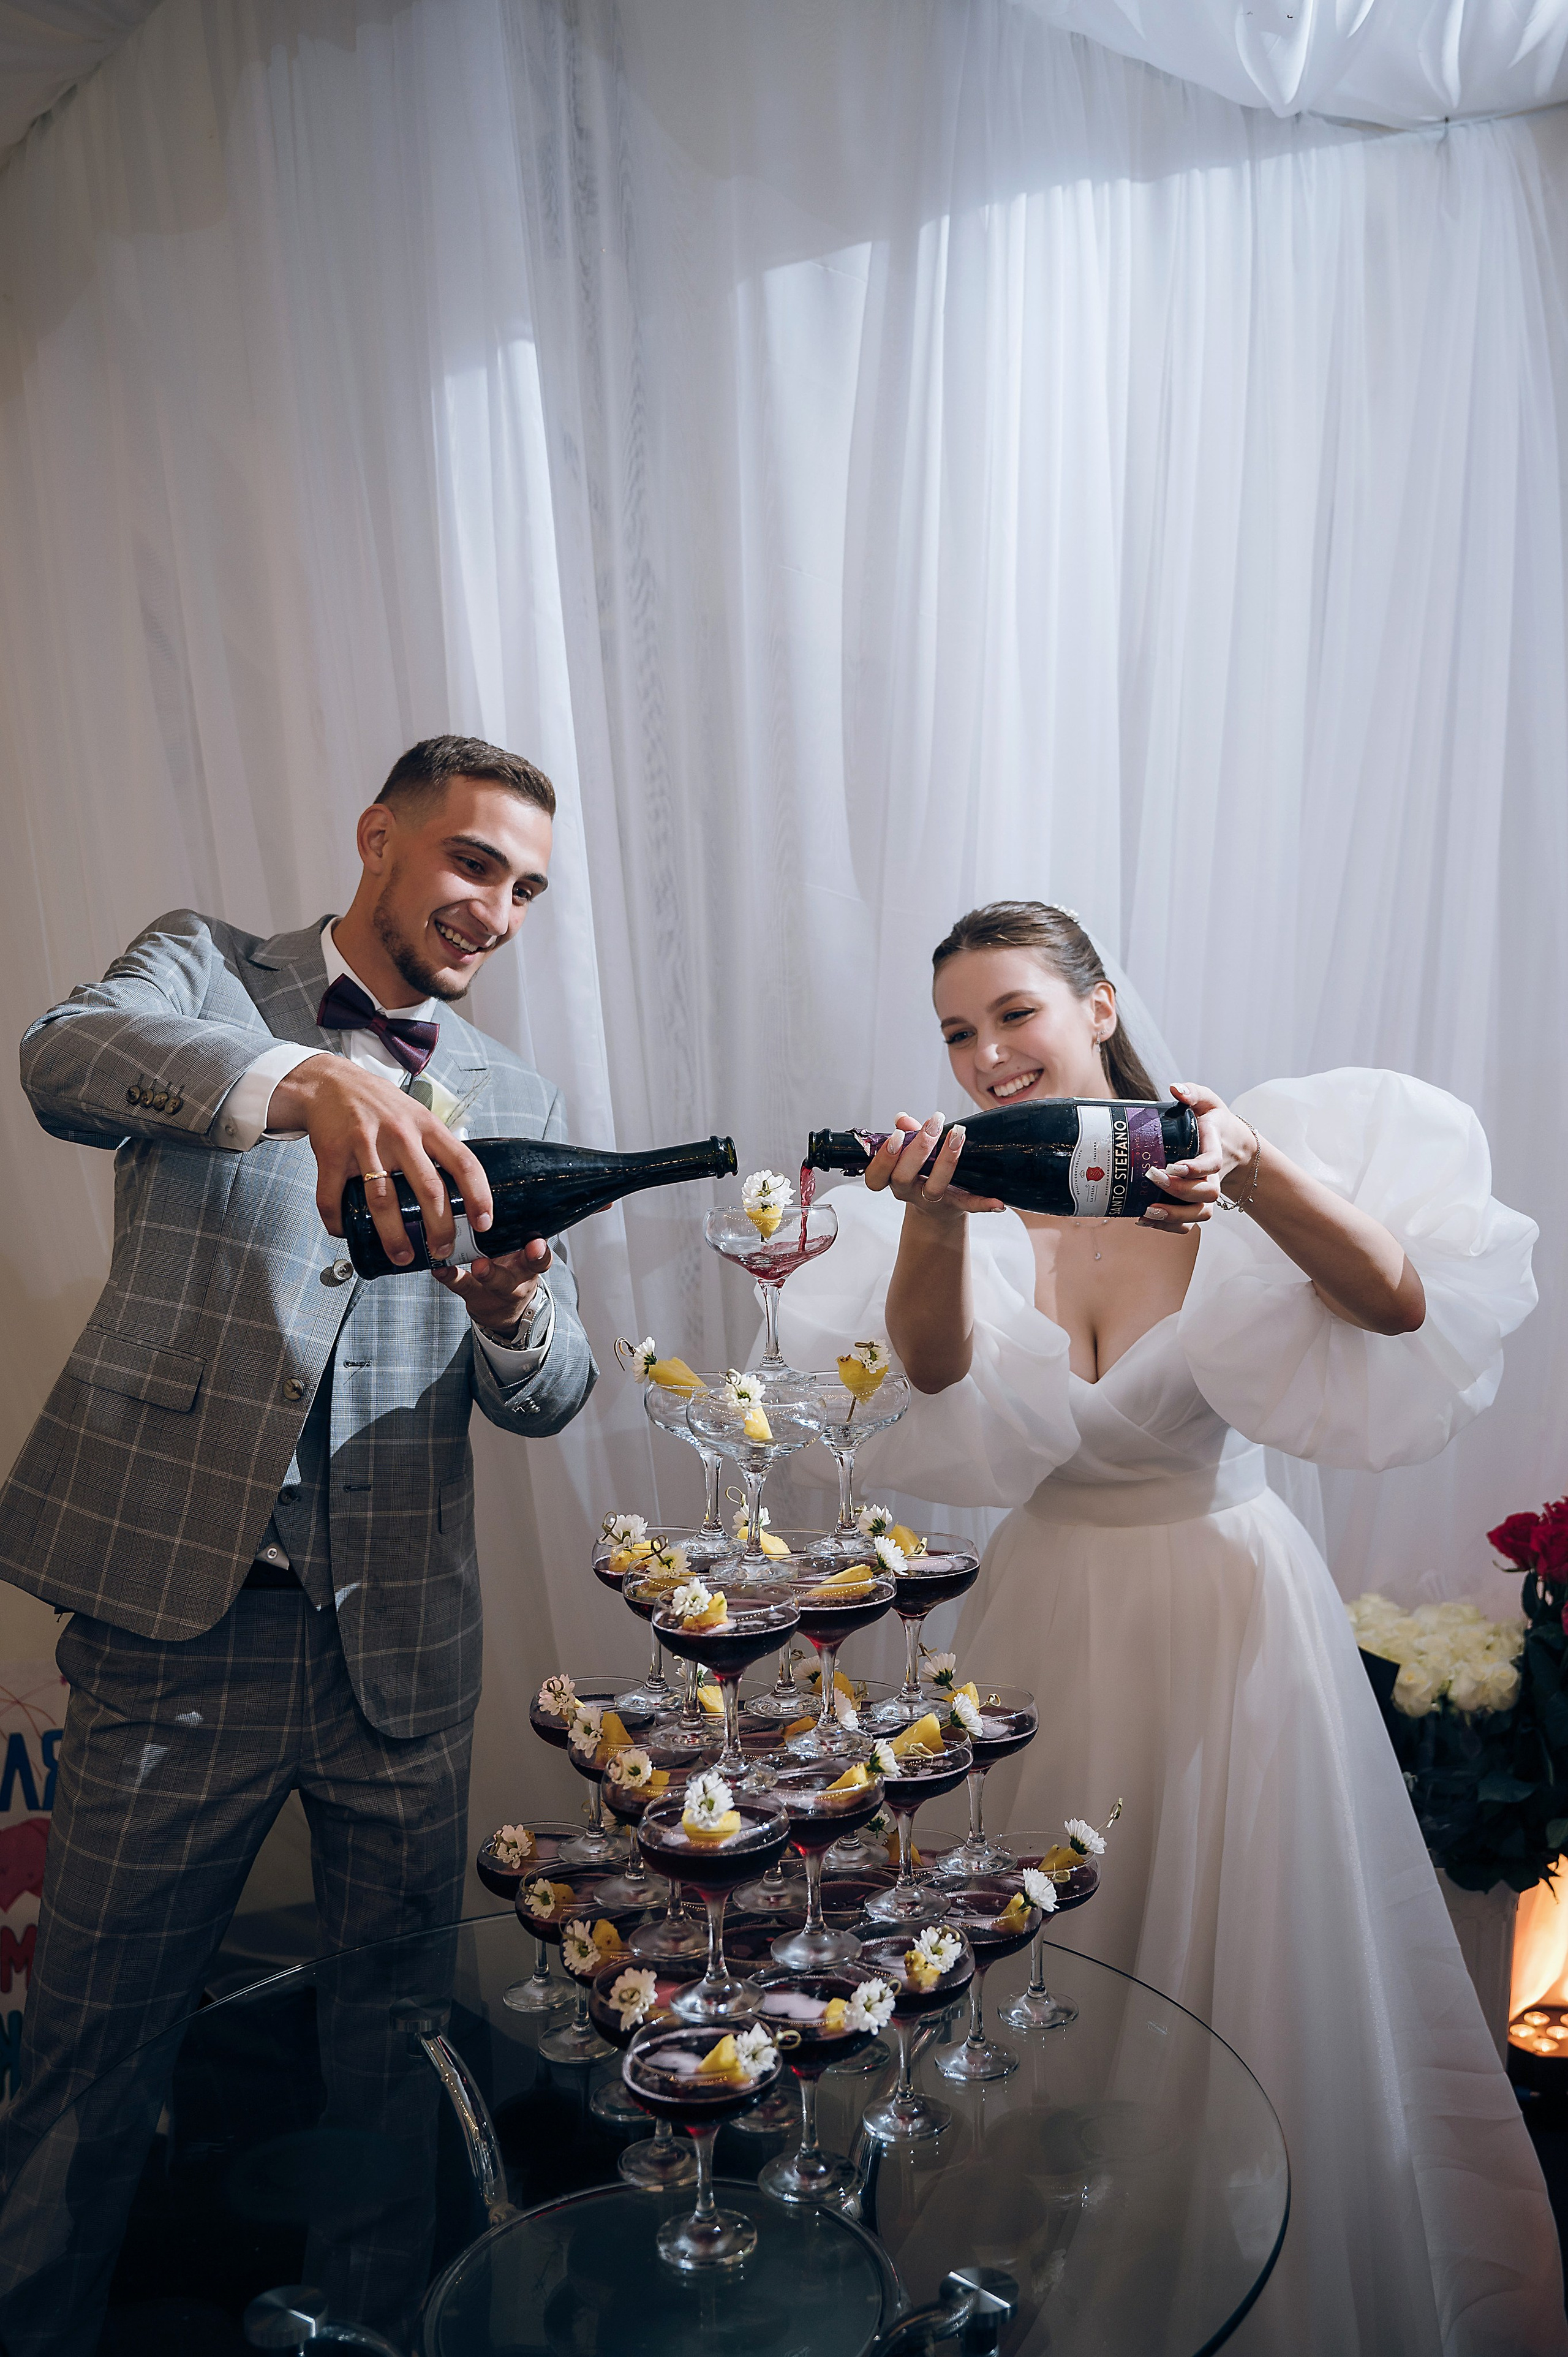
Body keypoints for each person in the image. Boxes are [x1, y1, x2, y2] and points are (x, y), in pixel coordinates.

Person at [778, 899, 1564, 2357]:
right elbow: (935, 1374)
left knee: (1231, 1950)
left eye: (1012, 1011)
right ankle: (1007, 2267)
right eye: (956, 1030)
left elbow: (1396, 1304)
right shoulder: (977, 1190)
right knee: (1025, 1958)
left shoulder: (1222, 1152)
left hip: (1218, 1610)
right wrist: (937, 1215)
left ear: (1096, 1002)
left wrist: (1256, 1178)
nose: (985, 1052)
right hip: (1038, 1618)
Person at [0, 734, 597, 2351]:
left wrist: (516, 1311)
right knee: (93, 2050)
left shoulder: (525, 1100)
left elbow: (555, 1398)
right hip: (180, 1631)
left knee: (394, 2055)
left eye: (528, 888)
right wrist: (310, 1081)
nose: (497, 908)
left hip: (398, 1654)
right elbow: (62, 1063)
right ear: (379, 838)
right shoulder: (206, 968)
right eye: (475, 863)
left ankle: (374, 2334)